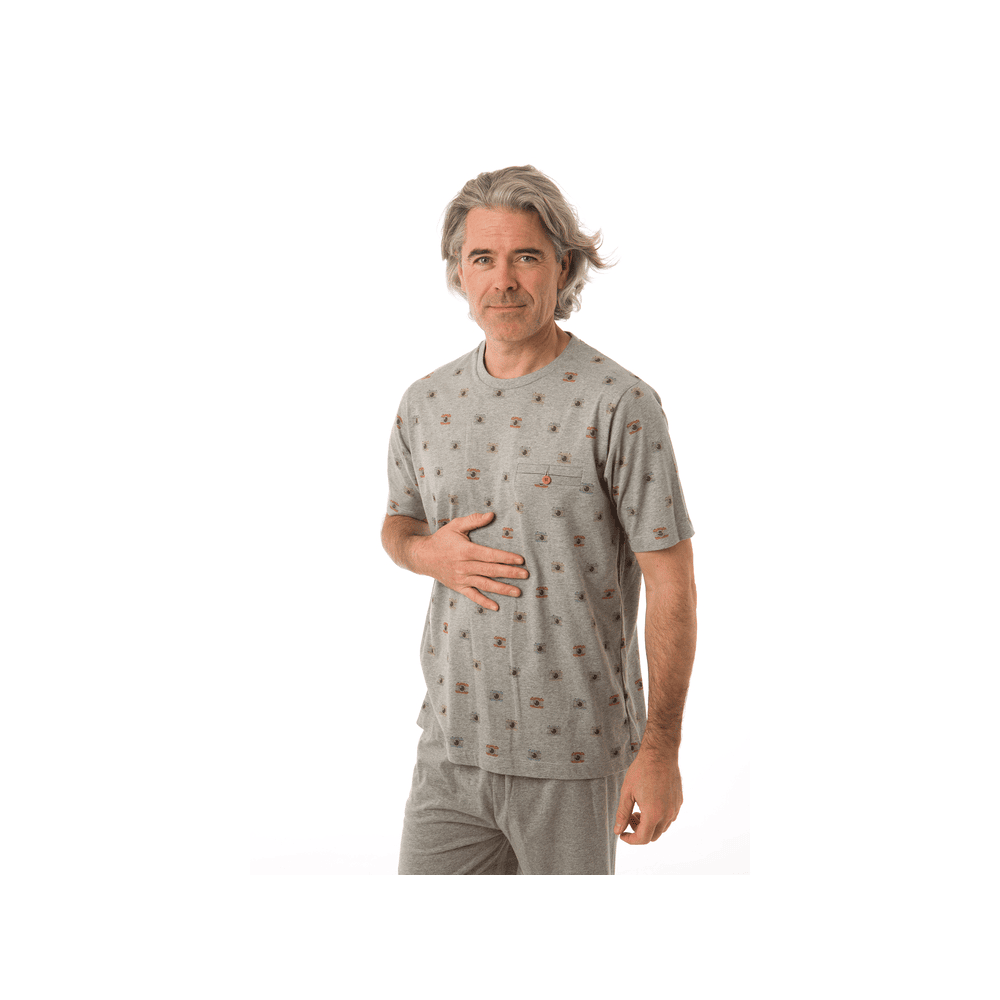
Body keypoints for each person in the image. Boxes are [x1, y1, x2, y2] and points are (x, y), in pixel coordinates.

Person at [383, 165, 697, 875]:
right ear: (458, 272)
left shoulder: (619, 403)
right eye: (482, 258)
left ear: (564, 266)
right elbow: (398, 523)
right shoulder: (424, 401)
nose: (503, 281)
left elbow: (673, 585)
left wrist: (661, 750)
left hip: (575, 754)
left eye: (525, 256)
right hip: (450, 748)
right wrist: (425, 554)